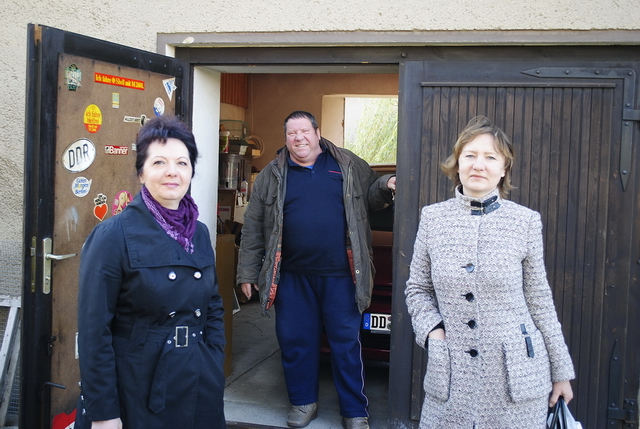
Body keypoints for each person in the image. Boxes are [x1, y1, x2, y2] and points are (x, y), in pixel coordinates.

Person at [404, 116, 575, 428]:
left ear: (504, 168)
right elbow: (418, 289)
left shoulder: (525, 222)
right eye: (470, 155)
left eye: (490, 157)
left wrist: (561, 372)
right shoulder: (433, 219)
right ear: (457, 164)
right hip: (451, 376)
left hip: (516, 379)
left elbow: (539, 300)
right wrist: (433, 332)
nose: (478, 165)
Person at [236, 111, 396, 429]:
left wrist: (386, 184)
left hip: (341, 276)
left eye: (304, 131)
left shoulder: (347, 163)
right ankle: (303, 402)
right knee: (296, 342)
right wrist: (247, 273)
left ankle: (354, 411)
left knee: (346, 346)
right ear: (286, 138)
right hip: (292, 277)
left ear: (317, 133)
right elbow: (254, 225)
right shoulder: (272, 174)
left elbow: (371, 194)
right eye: (292, 133)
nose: (299, 138)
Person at [76, 116, 226, 429]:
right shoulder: (113, 235)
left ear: (191, 171)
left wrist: (214, 356)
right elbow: (94, 331)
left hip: (198, 379)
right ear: (141, 172)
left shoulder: (198, 233)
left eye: (182, 163)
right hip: (137, 385)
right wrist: (103, 413)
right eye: (159, 162)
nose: (172, 171)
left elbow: (212, 305)